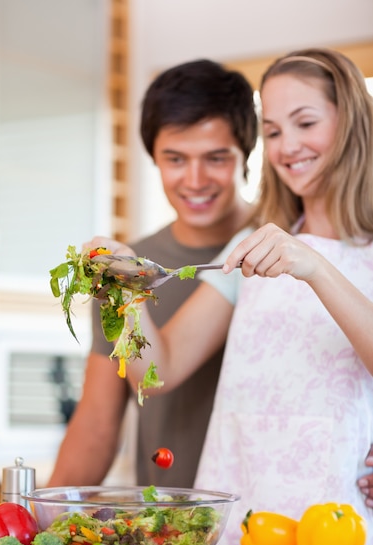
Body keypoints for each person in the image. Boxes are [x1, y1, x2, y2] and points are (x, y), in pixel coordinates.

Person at [93, 48, 373, 545]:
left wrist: (312, 266)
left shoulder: (324, 249)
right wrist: (127, 289)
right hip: (242, 509)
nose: (288, 146)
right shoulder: (251, 245)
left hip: (339, 513)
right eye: (274, 131)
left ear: (350, 121)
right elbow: (158, 370)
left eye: (305, 123)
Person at [47, 59, 258, 488]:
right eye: (175, 159)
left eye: (216, 158)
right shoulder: (126, 267)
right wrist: (33, 522)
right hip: (165, 521)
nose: (195, 179)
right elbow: (97, 426)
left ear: (246, 153)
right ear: (153, 157)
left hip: (270, 521)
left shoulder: (280, 253)